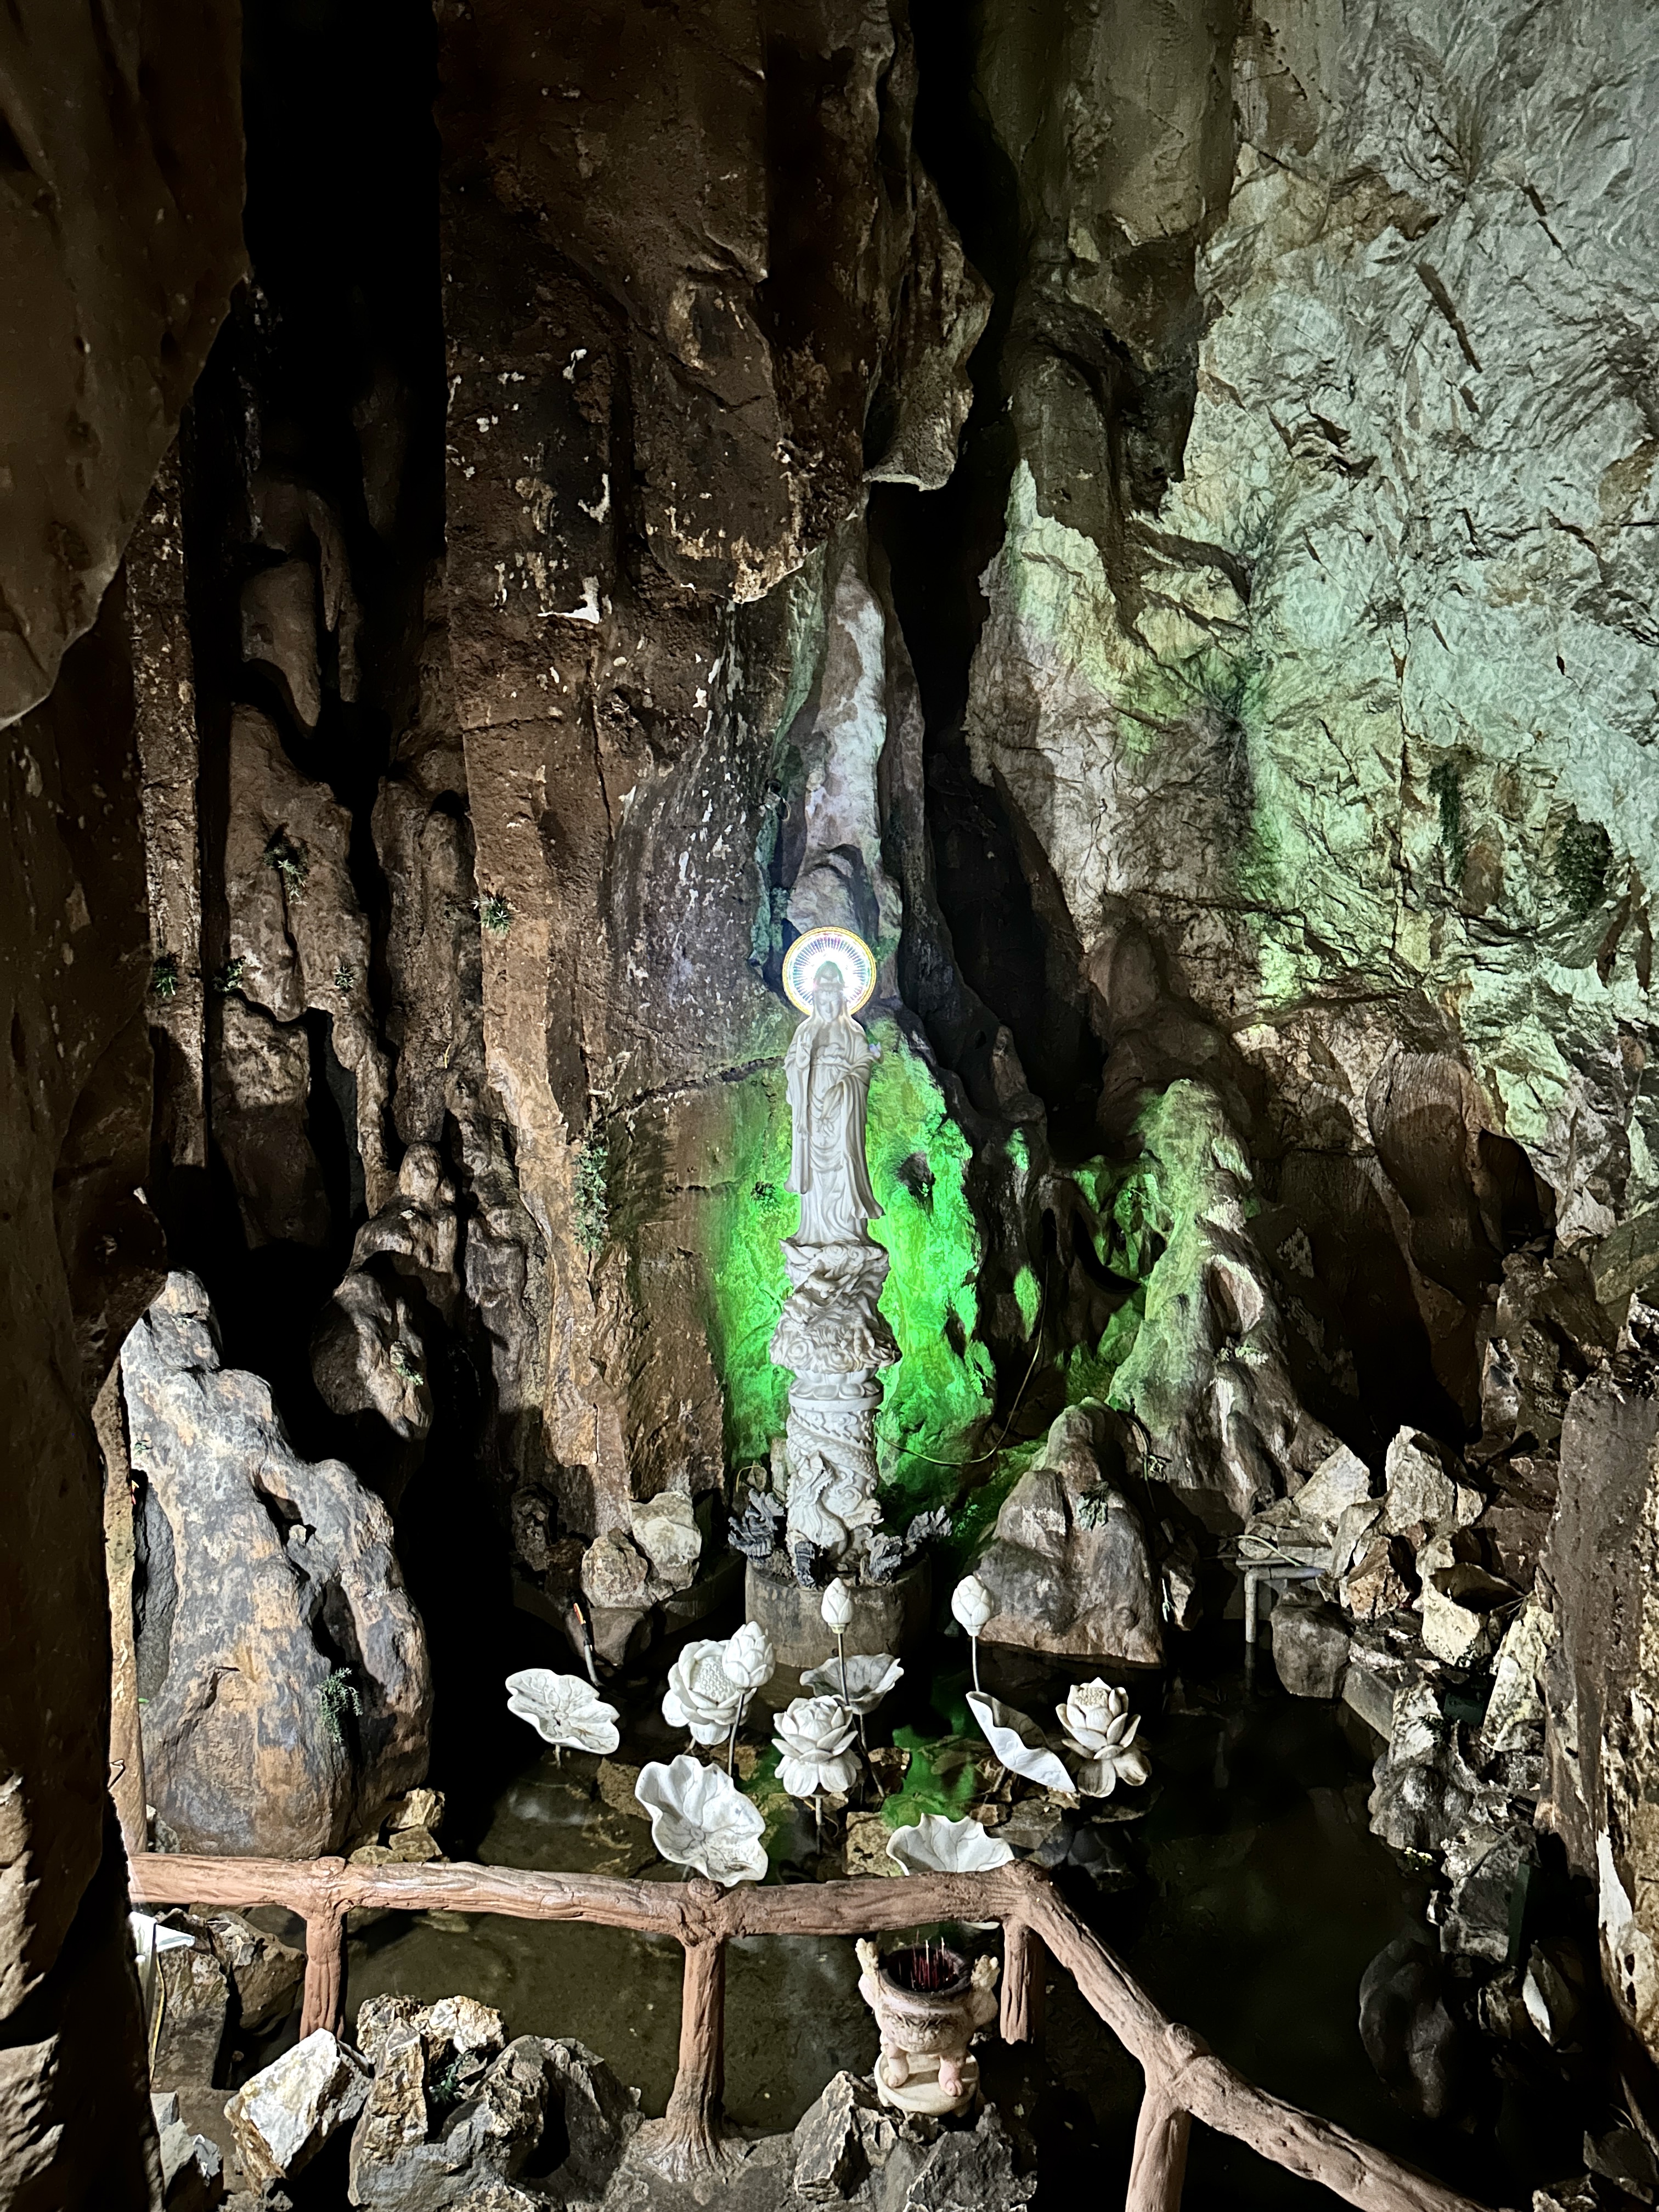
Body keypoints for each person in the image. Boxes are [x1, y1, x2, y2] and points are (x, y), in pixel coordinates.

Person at [783, 960, 882, 1246]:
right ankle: (814, 1235)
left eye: (834, 999)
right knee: (816, 1176)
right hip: (812, 1113)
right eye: (823, 999)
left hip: (843, 1113)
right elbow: (792, 1068)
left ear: (843, 998)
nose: (828, 1006)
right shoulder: (804, 1032)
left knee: (843, 1167)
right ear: (814, 998)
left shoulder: (853, 1032)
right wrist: (802, 1062)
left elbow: (863, 1065)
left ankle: (849, 1234)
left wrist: (843, 1090)